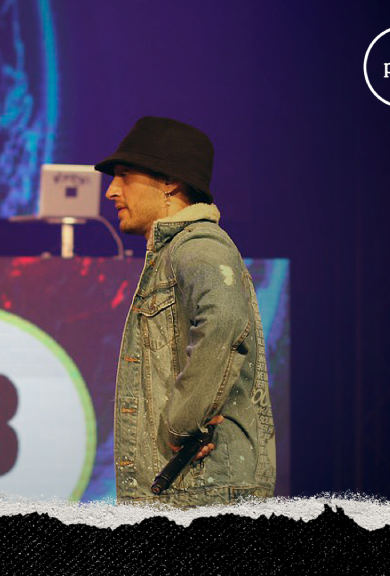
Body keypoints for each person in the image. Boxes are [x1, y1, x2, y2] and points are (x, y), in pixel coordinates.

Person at [96, 117, 276, 506]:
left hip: (199, 491)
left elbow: (225, 321)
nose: (111, 190)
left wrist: (182, 422)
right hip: (188, 490)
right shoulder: (176, 251)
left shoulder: (198, 244)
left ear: (169, 182)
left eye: (124, 175)